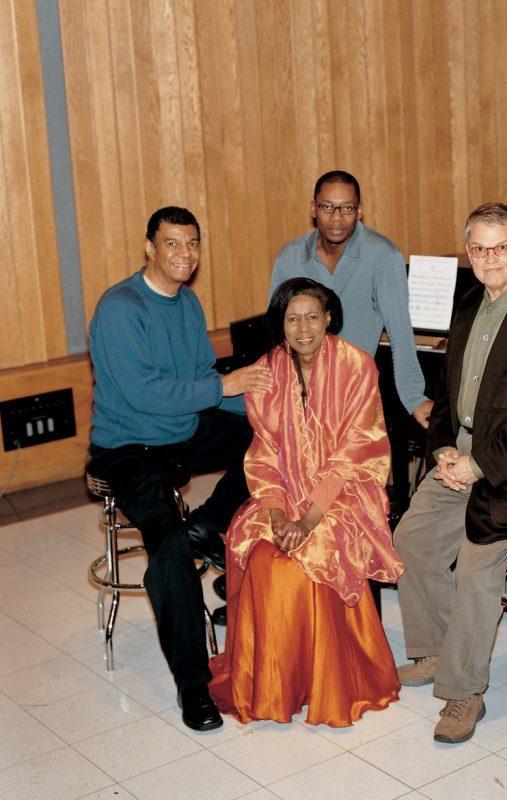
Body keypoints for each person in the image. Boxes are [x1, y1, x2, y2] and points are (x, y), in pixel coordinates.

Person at [394, 202, 507, 743]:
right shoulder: (470, 302)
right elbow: (450, 393)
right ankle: (437, 651)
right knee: (413, 540)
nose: (490, 258)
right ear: (468, 252)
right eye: (479, 248)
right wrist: (445, 451)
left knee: (476, 567)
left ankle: (464, 691)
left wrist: (477, 465)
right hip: (465, 455)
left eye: (501, 247)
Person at [88, 206, 272, 732]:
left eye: (192, 244)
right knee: (166, 548)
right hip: (130, 445)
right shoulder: (121, 308)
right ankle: (194, 688)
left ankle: (209, 522)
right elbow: (146, 395)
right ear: (149, 247)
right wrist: (225, 387)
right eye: (172, 244)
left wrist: (271, 405)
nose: (185, 255)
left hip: (179, 431)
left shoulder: (187, 302)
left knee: (267, 440)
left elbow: (199, 379)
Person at [209, 278, 404, 726]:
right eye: (292, 319)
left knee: (312, 557)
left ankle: (329, 681)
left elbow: (356, 452)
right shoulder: (268, 371)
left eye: (312, 317)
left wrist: (310, 519)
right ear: (280, 324)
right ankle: (276, 683)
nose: (302, 329)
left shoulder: (357, 366)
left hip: (346, 490)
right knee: (259, 552)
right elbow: (264, 455)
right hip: (283, 491)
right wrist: (278, 513)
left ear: (329, 318)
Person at [268, 170, 433, 428]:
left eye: (346, 208)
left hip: (355, 392)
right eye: (327, 207)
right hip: (298, 391)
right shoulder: (289, 258)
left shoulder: (383, 256)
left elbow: (400, 332)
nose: (336, 218)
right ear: (313, 208)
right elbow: (277, 334)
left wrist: (414, 398)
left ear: (359, 211)